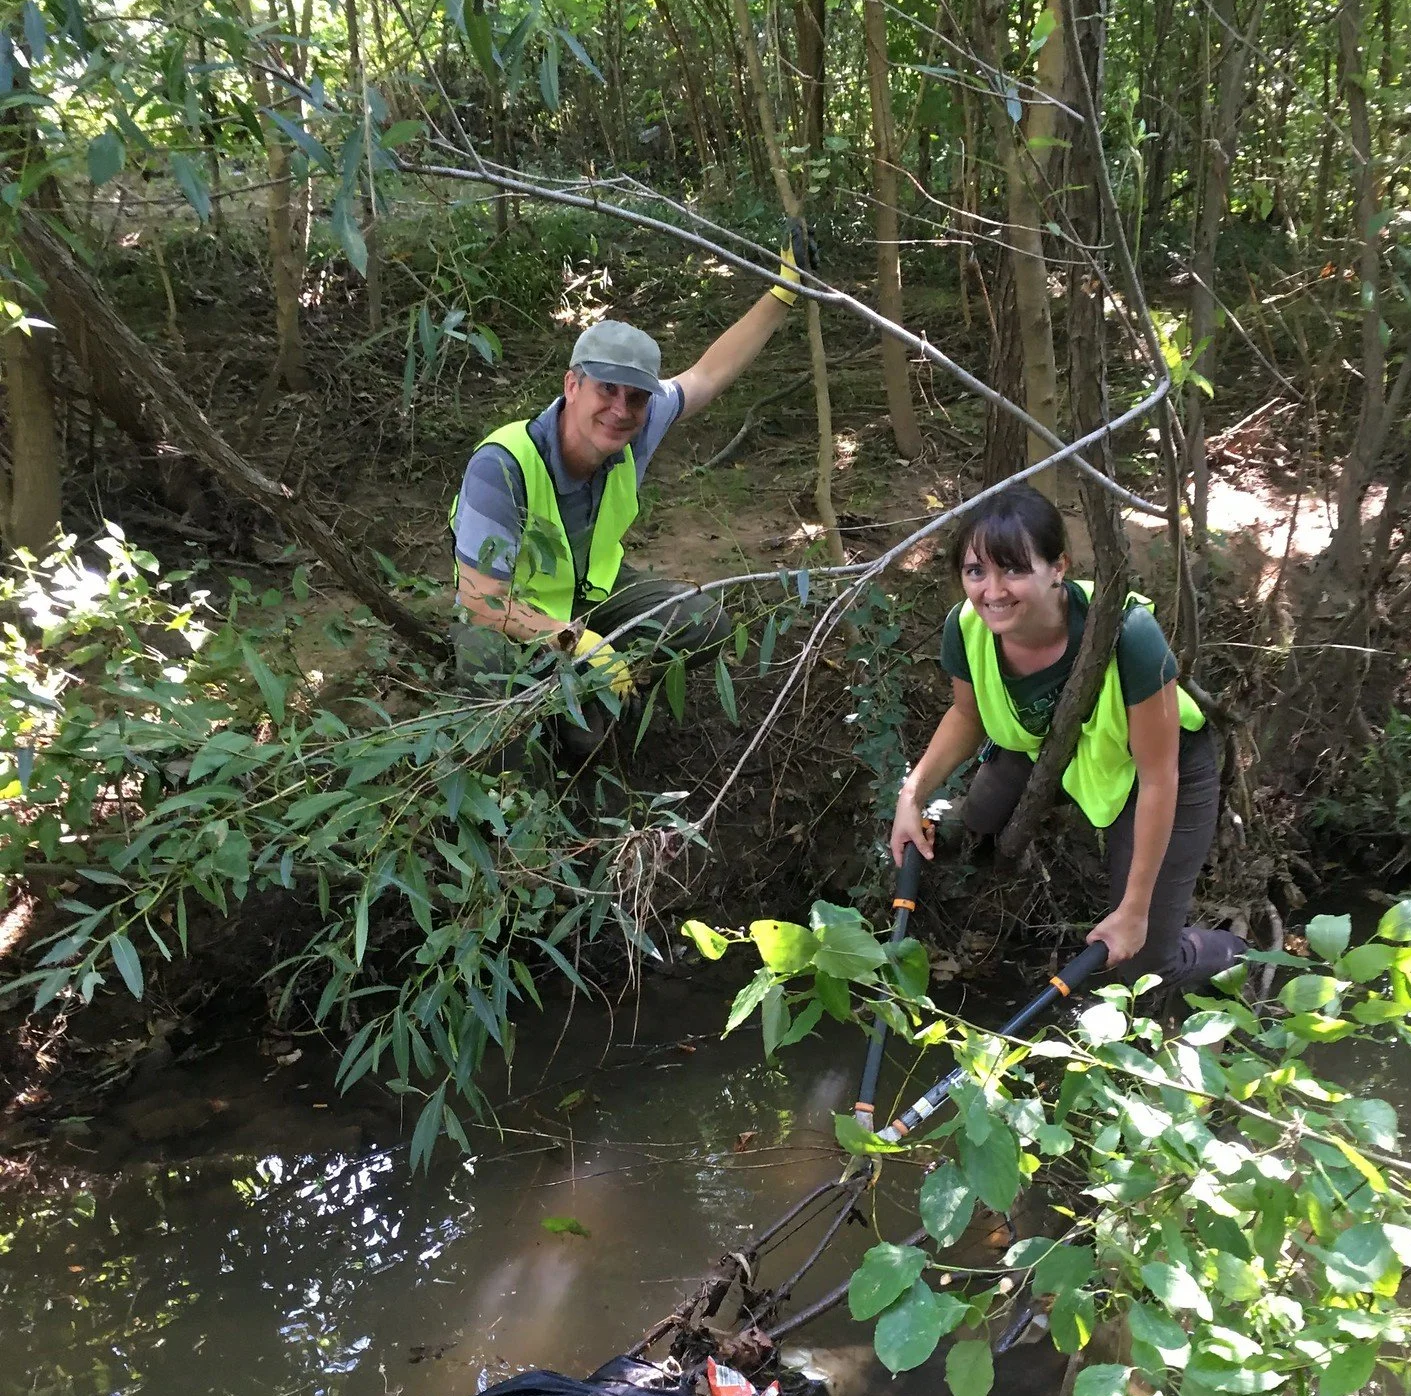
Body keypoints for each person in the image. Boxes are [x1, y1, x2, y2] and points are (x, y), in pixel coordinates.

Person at [451, 236, 810, 748]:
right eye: (607, 390)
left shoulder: (639, 423)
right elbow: (480, 600)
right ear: (572, 385)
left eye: (636, 397)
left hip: (593, 596)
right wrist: (576, 641)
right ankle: (513, 794)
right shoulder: (502, 466)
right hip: (511, 616)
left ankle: (602, 698)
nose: (621, 410)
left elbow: (708, 374)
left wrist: (783, 293)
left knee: (702, 622)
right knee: (487, 666)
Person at [890, 482, 1243, 996]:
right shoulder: (966, 626)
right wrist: (911, 795)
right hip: (1051, 747)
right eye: (975, 571)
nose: (992, 591)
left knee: (1144, 964)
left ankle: (1236, 952)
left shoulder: (1128, 634)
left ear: (1059, 567)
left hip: (1159, 774)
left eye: (1013, 568)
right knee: (980, 817)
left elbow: (1158, 777)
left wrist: (1134, 910)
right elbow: (966, 715)